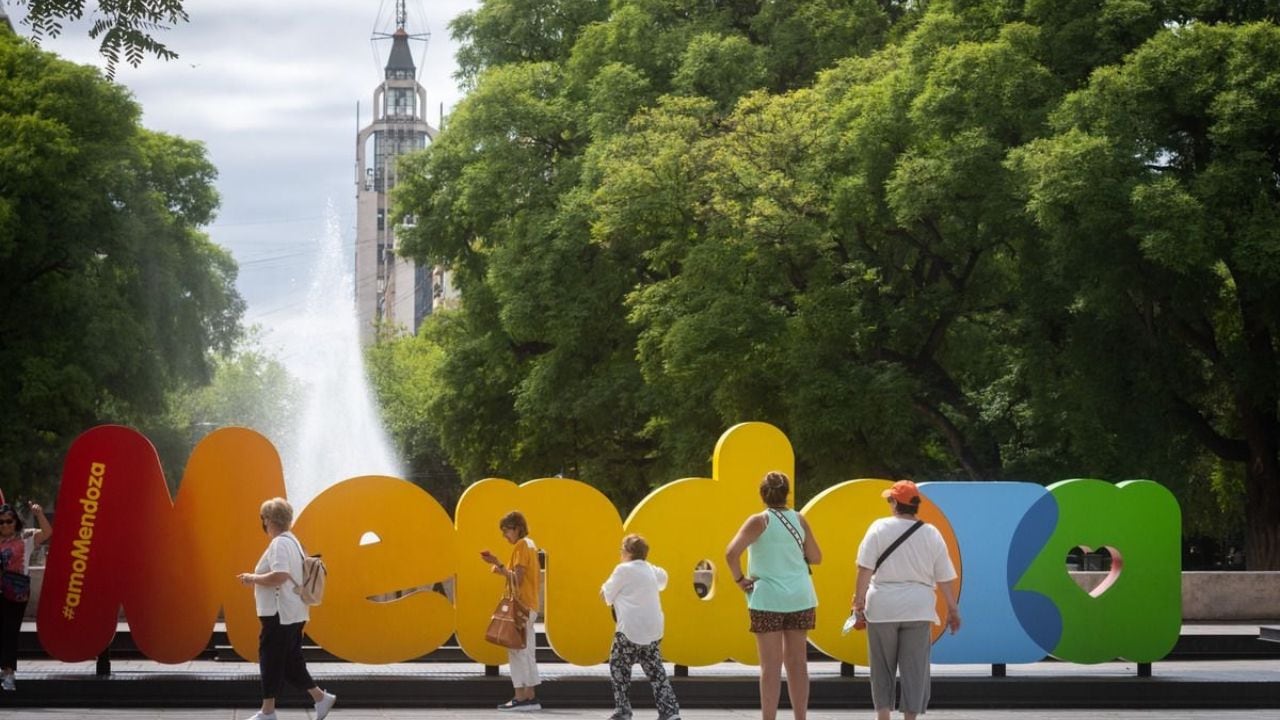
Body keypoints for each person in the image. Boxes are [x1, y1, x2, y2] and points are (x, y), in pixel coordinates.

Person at [852, 480, 960, 720]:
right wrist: (953, 610)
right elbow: (944, 577)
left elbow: (864, 568)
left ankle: (883, 715)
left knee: (881, 667)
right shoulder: (931, 533)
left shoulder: (878, 528)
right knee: (915, 670)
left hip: (882, 607)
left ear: (894, 503)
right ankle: (910, 717)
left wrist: (858, 602)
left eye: (889, 499)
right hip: (918, 607)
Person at [725, 471, 822, 720]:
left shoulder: (759, 521)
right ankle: (800, 717)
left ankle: (769, 718)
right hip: (800, 597)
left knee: (770, 667)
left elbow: (731, 553)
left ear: (762, 494)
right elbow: (816, 557)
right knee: (798, 664)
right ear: (787, 493)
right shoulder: (799, 519)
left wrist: (740, 580)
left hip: (767, 599)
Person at [236, 497, 336, 720]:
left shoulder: (280, 543)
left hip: (279, 614)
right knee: (290, 661)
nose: (262, 523)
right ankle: (321, 698)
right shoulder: (293, 541)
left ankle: (267, 712)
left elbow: (279, 576)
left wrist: (252, 578)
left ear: (269, 520)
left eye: (263, 519)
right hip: (293, 612)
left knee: (270, 658)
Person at [600, 533, 681, 720]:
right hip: (653, 628)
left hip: (630, 629)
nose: (620, 553)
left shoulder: (623, 570)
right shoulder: (651, 569)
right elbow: (664, 579)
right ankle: (670, 711)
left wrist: (603, 590)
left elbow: (608, 596)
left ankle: (623, 710)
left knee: (619, 666)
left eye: (622, 549)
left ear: (628, 552)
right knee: (656, 670)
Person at [481, 510, 542, 711]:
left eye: (506, 530)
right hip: (530, 605)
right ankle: (531, 697)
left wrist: (497, 564)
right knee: (527, 651)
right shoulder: (531, 544)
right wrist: (500, 568)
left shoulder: (521, 546)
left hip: (520, 606)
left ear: (516, 528)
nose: (504, 535)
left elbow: (518, 577)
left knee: (516, 651)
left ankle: (521, 698)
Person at [0, 501, 52, 691]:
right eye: (1, 522)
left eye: (9, 521)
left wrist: (39, 514)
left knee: (10, 632)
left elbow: (47, 533)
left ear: (15, 522)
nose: (5, 525)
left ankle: (8, 673)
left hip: (16, 592)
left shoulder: (24, 537)